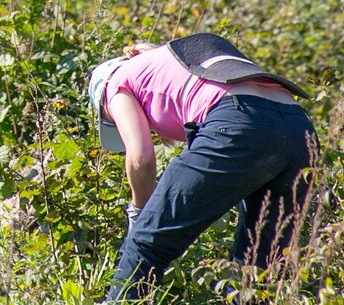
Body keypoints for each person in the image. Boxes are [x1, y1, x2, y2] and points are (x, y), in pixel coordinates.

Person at [87, 33, 317, 302]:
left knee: (145, 243)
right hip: (300, 129)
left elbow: (141, 157)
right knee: (259, 266)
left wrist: (140, 213)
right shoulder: (173, 62)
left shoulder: (115, 82)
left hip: (238, 119)